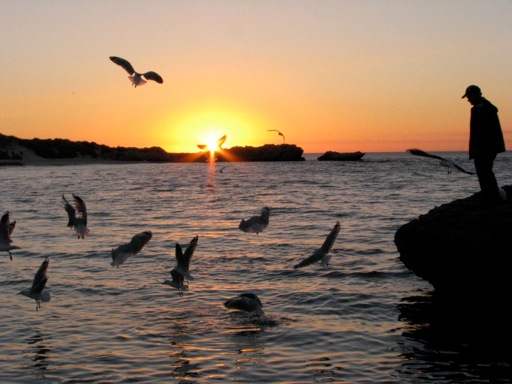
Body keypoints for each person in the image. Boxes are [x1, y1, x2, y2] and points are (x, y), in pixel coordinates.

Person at [462, 85, 506, 206]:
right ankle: (491, 196)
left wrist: (477, 149)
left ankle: (491, 198)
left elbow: (480, 132)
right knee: (485, 171)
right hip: (488, 147)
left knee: (484, 172)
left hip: (484, 147)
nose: (468, 100)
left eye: (469, 97)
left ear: (475, 95)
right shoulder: (485, 107)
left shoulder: (481, 109)